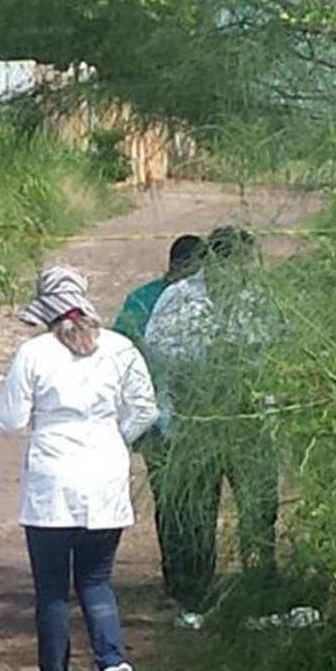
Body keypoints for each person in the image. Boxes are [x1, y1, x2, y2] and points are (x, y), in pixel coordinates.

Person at [0, 266, 160, 671]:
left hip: (52, 480)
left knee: (51, 591)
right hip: (106, 474)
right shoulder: (120, 349)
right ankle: (113, 668)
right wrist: (115, 437)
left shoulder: (35, 354)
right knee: (96, 580)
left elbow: (9, 421)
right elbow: (145, 407)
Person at [140, 226, 279, 609]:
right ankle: (196, 600)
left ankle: (260, 593)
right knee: (197, 513)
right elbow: (159, 351)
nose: (247, 272)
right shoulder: (179, 299)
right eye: (241, 264)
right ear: (217, 262)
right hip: (195, 422)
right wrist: (208, 356)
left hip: (250, 420)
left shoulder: (256, 300)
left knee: (259, 510)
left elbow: (275, 350)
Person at [114, 234, 206, 603]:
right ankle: (187, 579)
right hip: (166, 416)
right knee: (183, 501)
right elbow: (122, 348)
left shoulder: (144, 298)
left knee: (177, 501)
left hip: (166, 417)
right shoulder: (165, 299)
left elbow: (119, 346)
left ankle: (183, 579)